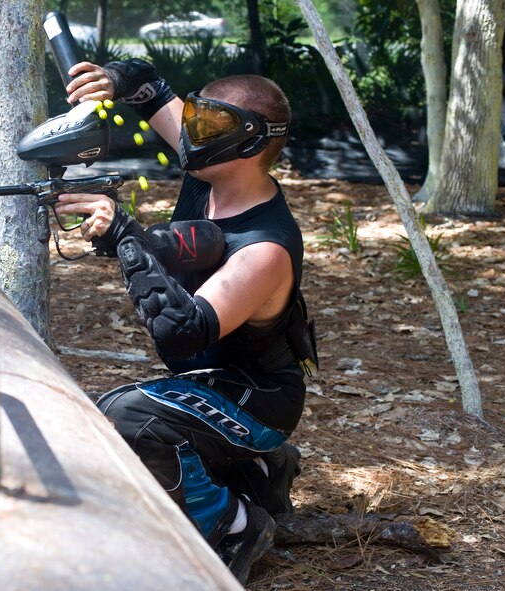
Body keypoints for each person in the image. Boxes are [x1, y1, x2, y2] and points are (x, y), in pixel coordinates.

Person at [54, 58, 317, 584]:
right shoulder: (211, 167)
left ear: (251, 143)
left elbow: (183, 335)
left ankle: (233, 526)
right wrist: (110, 79)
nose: (190, 135)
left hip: (257, 398)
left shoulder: (265, 248)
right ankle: (256, 471)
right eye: (194, 119)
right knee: (116, 414)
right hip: (215, 381)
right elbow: (148, 86)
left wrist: (126, 239)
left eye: (207, 127)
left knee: (130, 418)